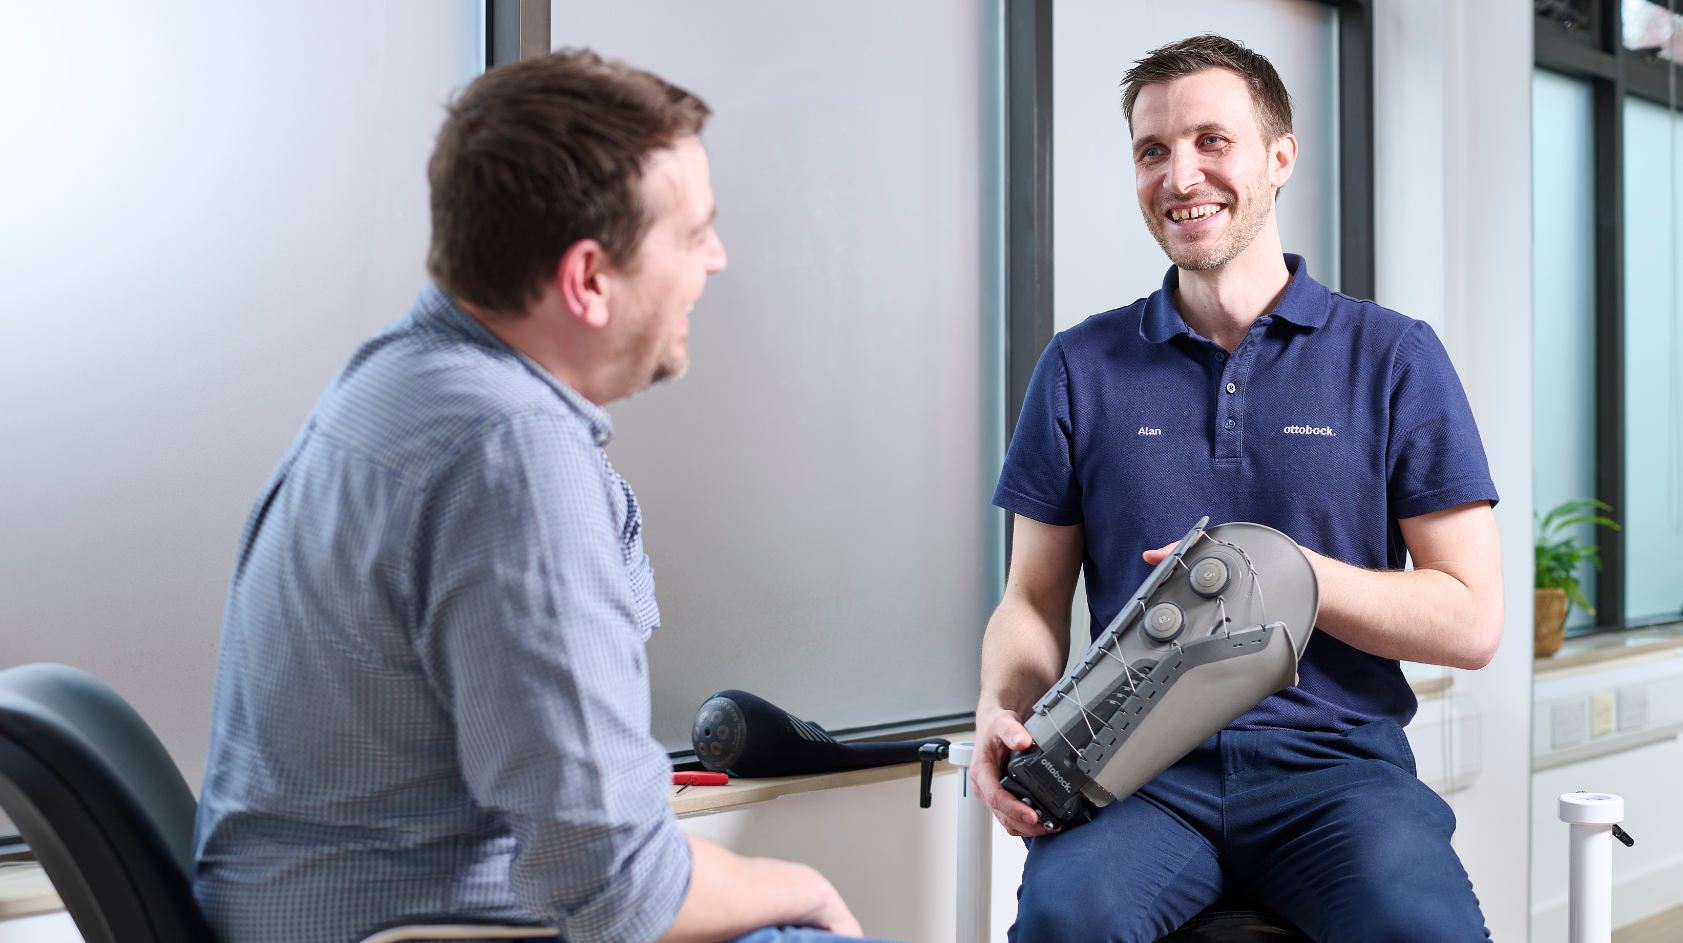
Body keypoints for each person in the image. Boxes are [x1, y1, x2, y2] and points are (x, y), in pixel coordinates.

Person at [192, 50, 887, 943]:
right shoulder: (512, 455)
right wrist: (807, 887)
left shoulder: (398, 378)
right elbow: (622, 893)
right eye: (692, 233)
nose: (716, 258)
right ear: (588, 279)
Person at [969, 35, 1503, 943]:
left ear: (1279, 156)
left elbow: (1470, 618)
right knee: (1067, 919)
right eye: (1152, 151)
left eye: (1212, 141)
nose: (1180, 177)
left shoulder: (1393, 357)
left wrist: (1279, 571)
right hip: (1133, 770)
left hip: (1338, 773)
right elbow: (1029, 598)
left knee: (1429, 933)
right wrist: (1000, 708)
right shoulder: (1078, 366)